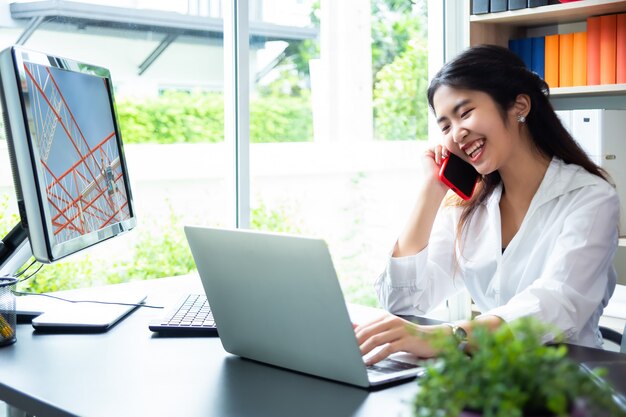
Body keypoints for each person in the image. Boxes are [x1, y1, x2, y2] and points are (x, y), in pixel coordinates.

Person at [355, 44, 620, 365]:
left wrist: (450, 337)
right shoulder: (469, 205)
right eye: (445, 126)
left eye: (465, 113)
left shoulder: (590, 196)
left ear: (519, 105)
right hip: (491, 377)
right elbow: (402, 302)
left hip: (568, 381)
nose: (457, 133)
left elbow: (556, 304)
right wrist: (431, 191)